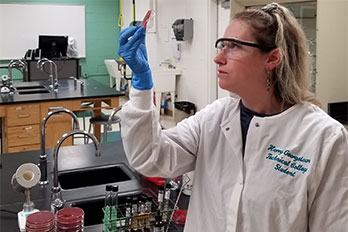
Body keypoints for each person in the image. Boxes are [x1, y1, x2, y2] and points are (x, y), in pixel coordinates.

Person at [118, 2, 348, 232]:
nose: (218, 58)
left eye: (234, 47)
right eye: (222, 45)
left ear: (272, 58)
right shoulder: (214, 118)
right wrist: (141, 84)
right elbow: (150, 157)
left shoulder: (324, 138)